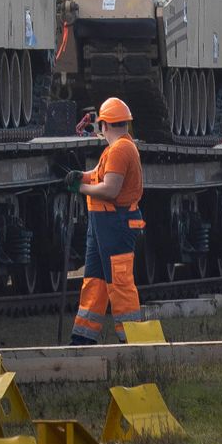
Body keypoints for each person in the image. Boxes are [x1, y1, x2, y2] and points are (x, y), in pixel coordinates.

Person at [61, 97, 144, 344]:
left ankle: (133, 340)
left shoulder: (120, 150)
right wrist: (82, 176)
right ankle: (82, 338)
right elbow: (100, 175)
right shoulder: (115, 149)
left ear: (104, 124)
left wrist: (80, 188)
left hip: (116, 224)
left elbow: (110, 189)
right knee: (94, 283)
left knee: (119, 283)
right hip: (104, 224)